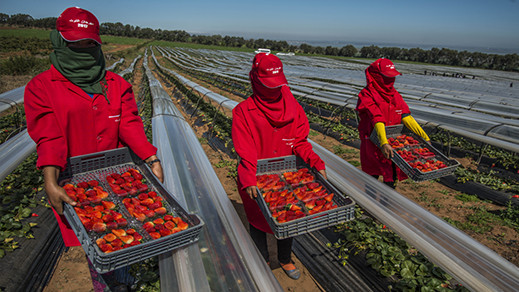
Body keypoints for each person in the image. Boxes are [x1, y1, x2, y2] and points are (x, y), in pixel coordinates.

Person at [24, 7, 163, 291]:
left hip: (116, 178)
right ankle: (106, 285)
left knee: (121, 228)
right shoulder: (42, 87)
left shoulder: (116, 85)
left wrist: (151, 156)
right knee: (96, 243)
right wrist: (50, 181)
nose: (84, 49)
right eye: (75, 43)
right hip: (75, 180)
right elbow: (49, 137)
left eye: (90, 43)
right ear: (60, 41)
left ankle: (122, 278)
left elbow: (130, 126)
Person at [232, 52, 326, 280]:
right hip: (256, 175)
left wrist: (315, 161)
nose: (273, 90)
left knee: (288, 218)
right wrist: (248, 178)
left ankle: (285, 258)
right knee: (257, 218)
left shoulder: (292, 107)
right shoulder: (244, 112)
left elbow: (299, 142)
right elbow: (246, 150)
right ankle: (262, 259)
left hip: (287, 177)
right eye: (268, 85)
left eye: (276, 85)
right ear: (255, 80)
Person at [355, 58, 429, 188]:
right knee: (371, 179)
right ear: (376, 76)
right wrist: (383, 142)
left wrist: (424, 137)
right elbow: (376, 118)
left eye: (392, 77)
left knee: (390, 179)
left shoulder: (395, 95)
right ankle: (369, 205)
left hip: (392, 143)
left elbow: (406, 116)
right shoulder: (366, 95)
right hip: (373, 143)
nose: (390, 80)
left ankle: (386, 205)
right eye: (386, 77)